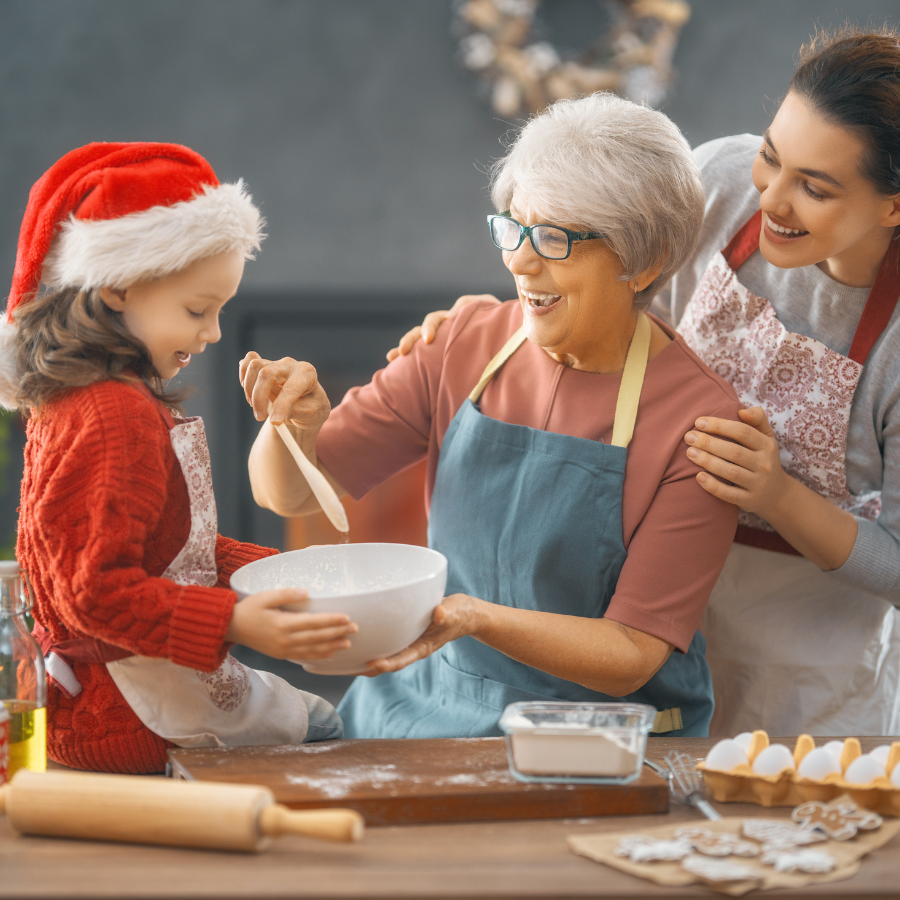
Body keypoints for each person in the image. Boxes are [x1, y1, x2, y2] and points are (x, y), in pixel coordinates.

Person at [396, 26, 900, 737]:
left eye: (814, 188)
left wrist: (778, 496)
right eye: (771, 157)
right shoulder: (718, 185)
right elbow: (599, 281)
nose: (773, 201)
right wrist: (491, 325)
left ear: (893, 206)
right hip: (633, 632)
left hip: (803, 673)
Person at [242, 94, 741, 739]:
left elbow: (631, 655)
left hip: (591, 737)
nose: (520, 261)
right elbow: (283, 493)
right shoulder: (463, 341)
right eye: (513, 227)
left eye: (556, 238)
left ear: (643, 261)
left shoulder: (699, 424)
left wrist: (477, 619)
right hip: (420, 707)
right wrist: (290, 428)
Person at [7, 143, 357, 773]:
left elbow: (170, 553)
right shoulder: (115, 416)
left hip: (102, 697)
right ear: (117, 286)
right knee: (330, 725)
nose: (215, 332)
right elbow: (95, 594)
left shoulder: (86, 399)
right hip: (128, 714)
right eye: (197, 310)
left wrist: (286, 580)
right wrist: (238, 621)